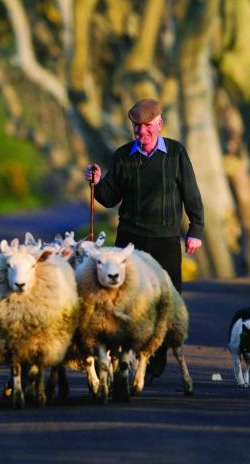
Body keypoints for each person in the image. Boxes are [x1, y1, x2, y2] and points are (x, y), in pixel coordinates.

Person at [84, 98, 204, 379]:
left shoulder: (175, 153)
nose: (142, 132)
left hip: (165, 239)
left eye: (148, 126)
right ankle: (129, 357)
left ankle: (155, 357)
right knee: (128, 301)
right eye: (137, 127)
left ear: (159, 124)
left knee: (165, 301)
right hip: (130, 242)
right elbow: (110, 198)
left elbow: (191, 193)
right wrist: (97, 181)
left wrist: (195, 230)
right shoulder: (123, 155)